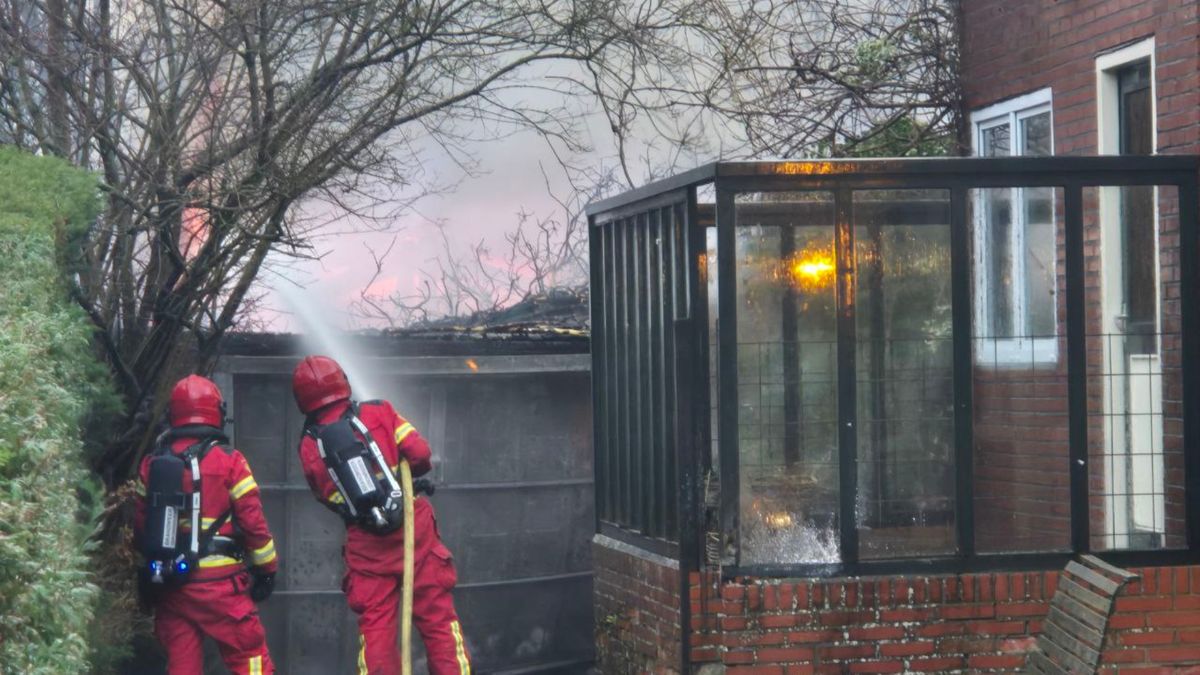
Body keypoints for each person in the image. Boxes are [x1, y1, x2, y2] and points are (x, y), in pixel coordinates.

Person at [292, 355, 470, 674]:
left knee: (376, 634)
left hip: (366, 544)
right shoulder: (379, 411)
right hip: (415, 532)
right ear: (343, 381)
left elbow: (326, 497)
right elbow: (421, 455)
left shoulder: (308, 446)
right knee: (439, 624)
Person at [134, 375, 278, 675]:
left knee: (182, 666)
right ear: (217, 413)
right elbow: (254, 524)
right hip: (223, 590)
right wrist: (266, 570)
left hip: (173, 589)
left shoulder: (152, 464)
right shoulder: (231, 461)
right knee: (249, 657)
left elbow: (140, 526)